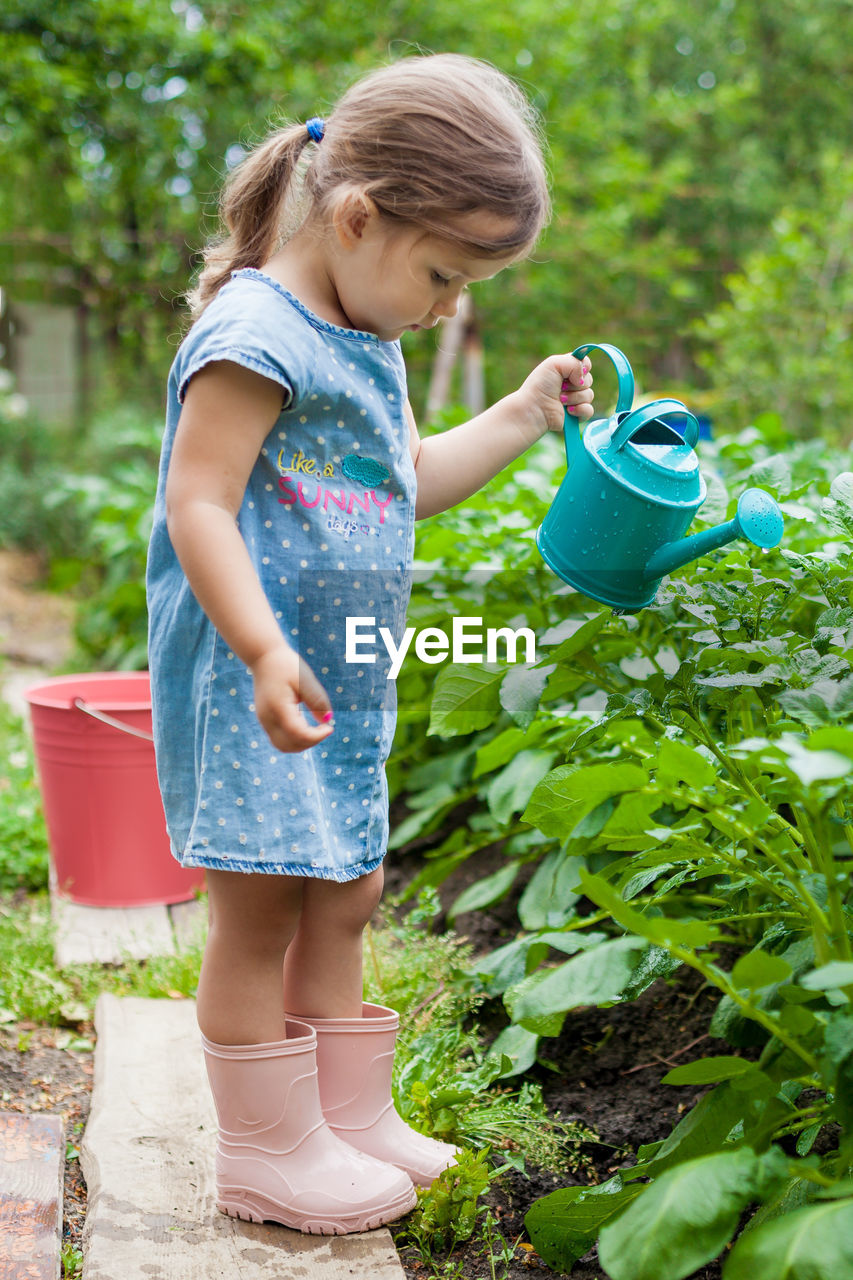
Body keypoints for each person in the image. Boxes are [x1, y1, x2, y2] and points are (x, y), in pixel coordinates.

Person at [146, 51, 594, 1237]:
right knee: (259, 910)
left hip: (338, 672)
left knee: (345, 890)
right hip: (261, 683)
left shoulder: (369, 337)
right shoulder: (256, 331)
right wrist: (255, 647)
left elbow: (406, 482)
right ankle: (265, 1148)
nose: (448, 304)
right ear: (354, 217)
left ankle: (347, 1115)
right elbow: (197, 501)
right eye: (444, 273)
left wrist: (517, 414)